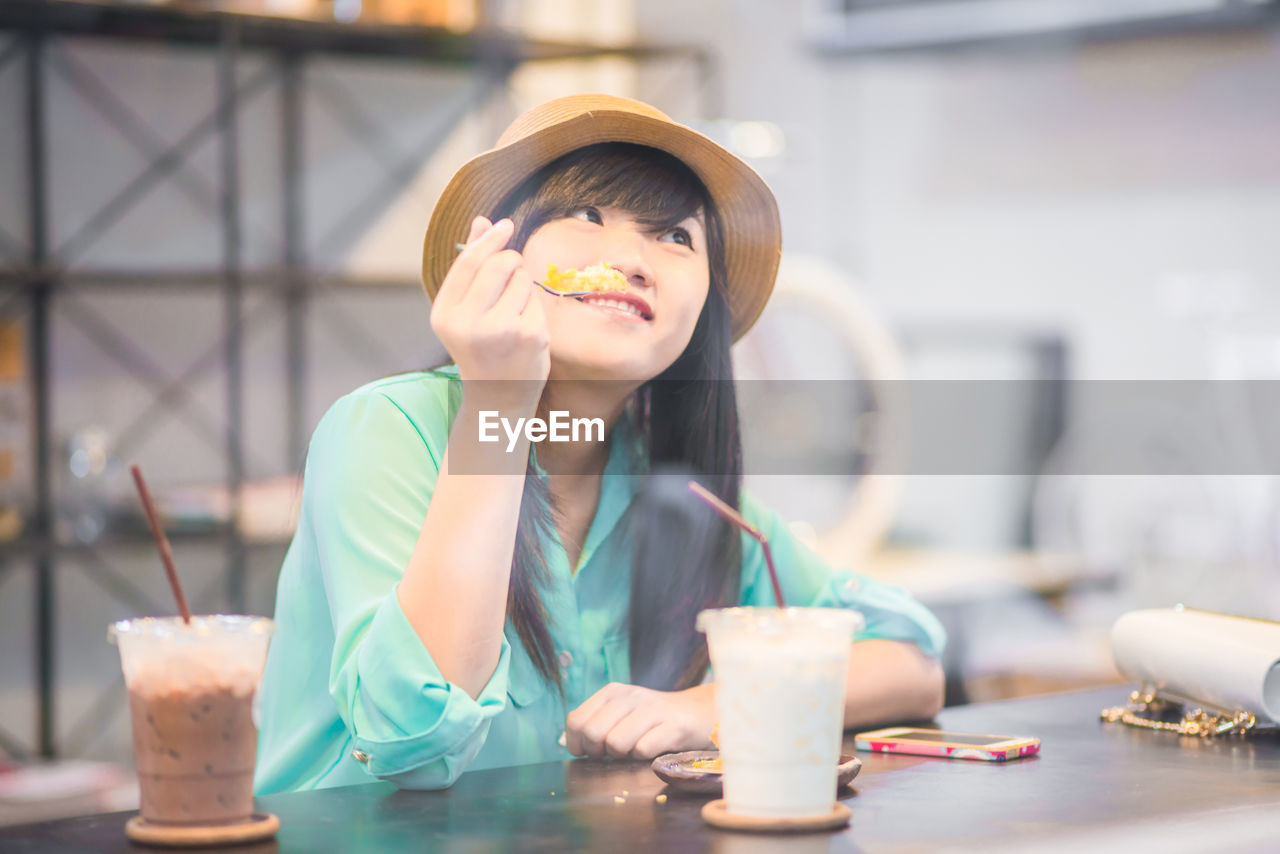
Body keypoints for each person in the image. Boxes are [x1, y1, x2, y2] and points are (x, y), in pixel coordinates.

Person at [254, 94, 946, 794]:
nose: (633, 259)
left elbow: (913, 663)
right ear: (498, 250)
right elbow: (412, 742)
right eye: (587, 215)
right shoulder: (385, 430)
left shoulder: (674, 489)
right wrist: (501, 400)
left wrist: (705, 709)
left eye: (676, 236)